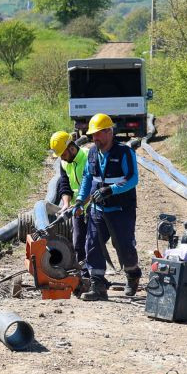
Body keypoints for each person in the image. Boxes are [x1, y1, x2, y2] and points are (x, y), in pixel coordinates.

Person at [76, 113, 141, 302]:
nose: (94, 138)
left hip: (121, 209)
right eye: (92, 135)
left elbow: (132, 179)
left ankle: (132, 274)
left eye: (97, 134)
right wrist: (81, 199)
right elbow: (88, 178)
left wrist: (110, 190)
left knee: (124, 246)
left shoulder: (125, 153)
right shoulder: (92, 153)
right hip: (98, 209)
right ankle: (98, 286)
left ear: (109, 132)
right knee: (93, 244)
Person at [49, 130, 90, 263]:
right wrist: (66, 203)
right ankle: (83, 275)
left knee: (92, 243)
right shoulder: (64, 162)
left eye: (64, 154)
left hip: (93, 206)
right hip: (76, 208)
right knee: (78, 242)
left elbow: (96, 184)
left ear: (72, 148)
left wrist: (82, 203)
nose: (62, 158)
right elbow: (64, 183)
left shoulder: (88, 156)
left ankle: (95, 276)